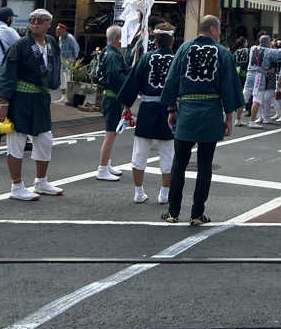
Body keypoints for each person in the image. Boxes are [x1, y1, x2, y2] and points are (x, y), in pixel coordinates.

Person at [159, 14, 243, 225]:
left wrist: (171, 108)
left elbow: (171, 80)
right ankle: (197, 214)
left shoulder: (184, 49)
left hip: (186, 111)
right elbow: (228, 86)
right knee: (205, 165)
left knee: (179, 163)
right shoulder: (222, 53)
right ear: (214, 29)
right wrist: (229, 116)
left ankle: (172, 212)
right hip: (210, 112)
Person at [0, 9, 63, 202]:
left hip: (40, 98)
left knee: (45, 139)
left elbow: (55, 68)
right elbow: (7, 73)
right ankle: (17, 186)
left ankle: (41, 181)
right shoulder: (20, 45)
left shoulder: (51, 43)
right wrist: (3, 102)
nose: (35, 23)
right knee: (16, 141)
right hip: (20, 97)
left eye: (40, 20)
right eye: (32, 20)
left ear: (49, 23)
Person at [118, 21, 176, 204]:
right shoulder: (176, 59)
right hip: (169, 110)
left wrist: (127, 106)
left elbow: (133, 81)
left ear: (155, 41)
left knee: (140, 152)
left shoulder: (146, 58)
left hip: (147, 109)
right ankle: (164, 195)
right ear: (172, 41)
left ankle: (138, 192)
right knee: (168, 153)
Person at [95, 24, 129, 181]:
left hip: (109, 96)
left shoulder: (106, 52)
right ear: (117, 39)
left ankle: (106, 164)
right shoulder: (113, 56)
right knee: (110, 134)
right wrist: (129, 85)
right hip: (113, 97)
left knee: (112, 133)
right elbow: (115, 78)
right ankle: (102, 168)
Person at [251, 39, 281, 125]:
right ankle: (260, 116)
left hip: (271, 77)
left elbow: (275, 67)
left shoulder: (275, 53)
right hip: (261, 76)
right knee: (259, 98)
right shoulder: (262, 51)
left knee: (267, 98)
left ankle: (267, 117)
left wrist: (279, 77)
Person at [56, 22, 80, 93]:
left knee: (67, 74)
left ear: (63, 30)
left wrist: (75, 58)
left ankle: (68, 91)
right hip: (62, 58)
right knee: (61, 74)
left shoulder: (70, 37)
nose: (57, 31)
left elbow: (76, 47)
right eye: (56, 30)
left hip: (69, 58)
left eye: (58, 30)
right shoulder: (60, 37)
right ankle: (63, 90)